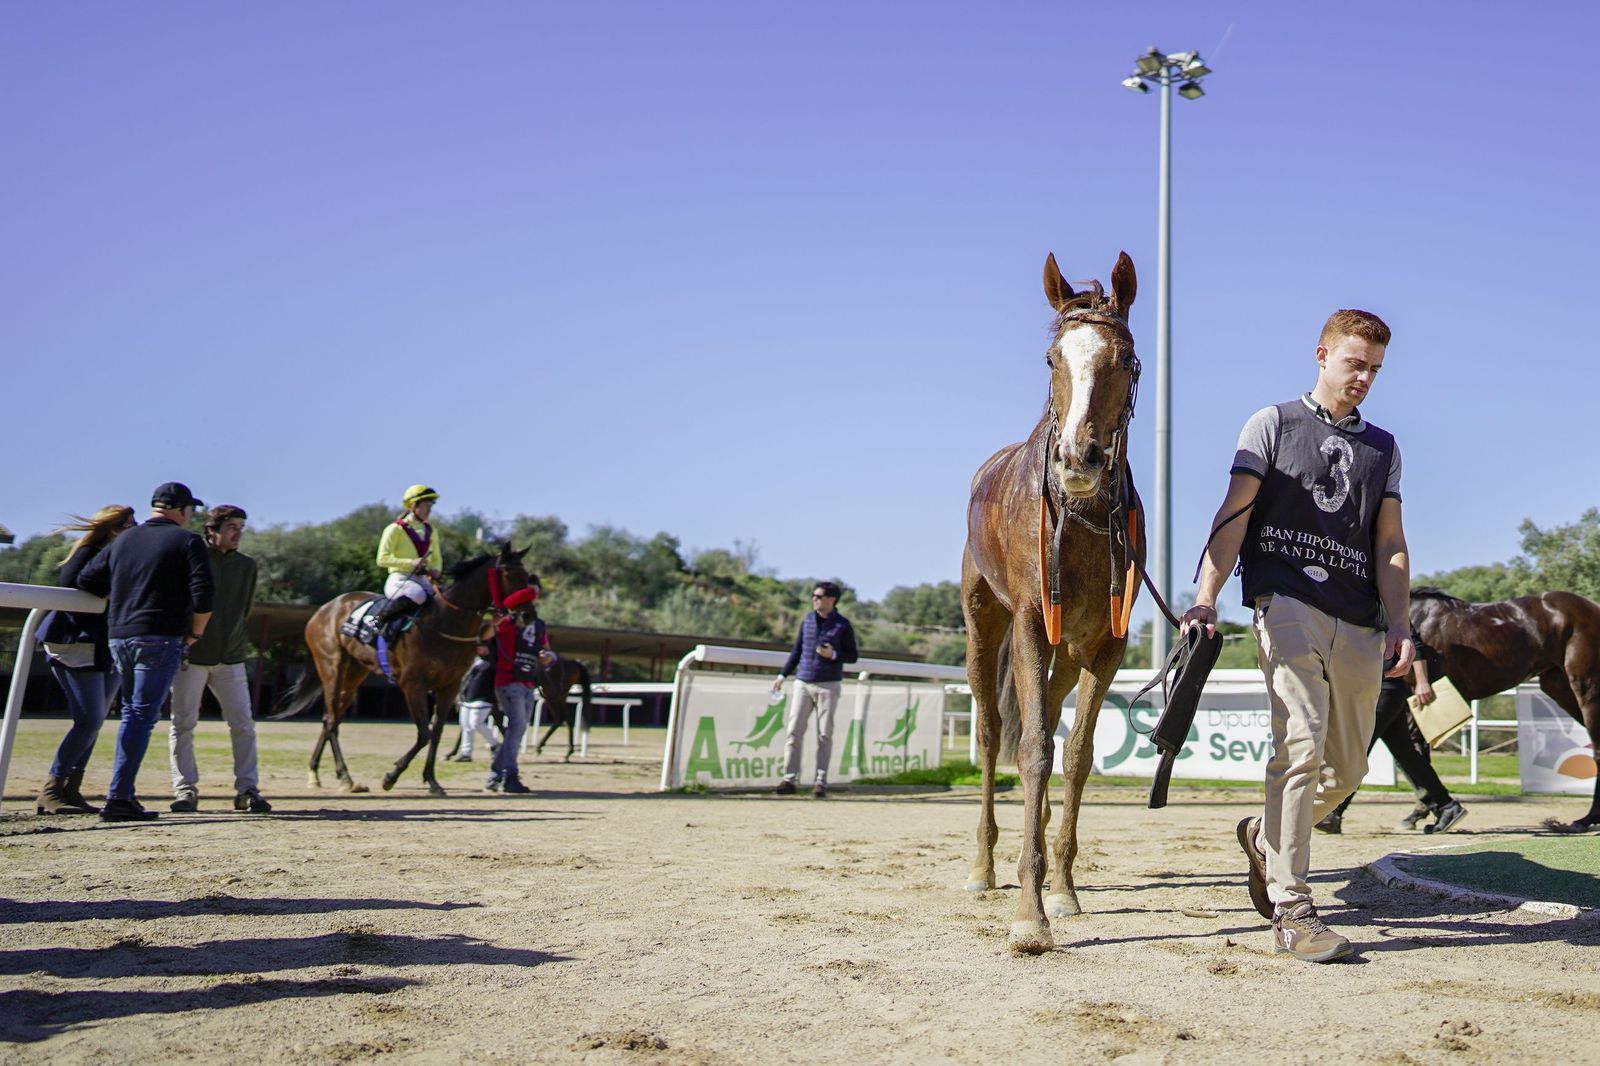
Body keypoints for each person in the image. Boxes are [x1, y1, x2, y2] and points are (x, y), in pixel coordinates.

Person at [1181, 310, 1412, 964]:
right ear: (1322, 355)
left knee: (1347, 770)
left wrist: (1401, 623)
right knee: (1302, 742)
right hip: (1285, 599)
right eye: (1354, 364)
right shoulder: (1274, 424)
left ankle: (1263, 835)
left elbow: (1390, 543)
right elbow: (1233, 516)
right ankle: (1292, 910)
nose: (1364, 378)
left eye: (1374, 369)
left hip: (1359, 616)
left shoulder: (1384, 449)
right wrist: (1204, 597)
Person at [76, 482, 214, 822]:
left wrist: (127, 592)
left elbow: (86, 579)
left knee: (131, 714)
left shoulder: (124, 539)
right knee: (139, 716)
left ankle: (123, 795)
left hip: (119, 635)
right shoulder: (188, 540)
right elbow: (204, 595)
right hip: (160, 637)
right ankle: (119, 798)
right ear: (182, 510)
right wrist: (195, 632)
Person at [166, 504, 271, 814]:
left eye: (241, 527)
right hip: (192, 656)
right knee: (183, 724)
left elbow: (245, 610)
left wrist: (234, 639)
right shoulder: (192, 559)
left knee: (243, 725)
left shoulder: (247, 566)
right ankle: (185, 790)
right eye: (231, 528)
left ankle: (247, 789)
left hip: (232, 657)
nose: (238, 533)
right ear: (211, 531)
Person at [33, 505, 137, 815]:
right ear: (114, 528)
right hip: (74, 642)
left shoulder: (124, 555)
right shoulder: (91, 550)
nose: (136, 528)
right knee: (89, 719)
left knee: (95, 720)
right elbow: (72, 581)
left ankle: (71, 789)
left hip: (106, 644)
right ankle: (50, 790)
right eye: (130, 524)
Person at [1315, 629, 1466, 835]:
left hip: (1386, 689)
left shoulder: (1386, 604)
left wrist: (1422, 682)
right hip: (1379, 689)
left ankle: (1334, 813)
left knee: (1357, 749)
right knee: (1406, 754)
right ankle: (1447, 806)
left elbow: (1413, 642)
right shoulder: (1362, 605)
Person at [771, 581, 858, 799]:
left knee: (824, 734)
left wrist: (834, 655)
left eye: (818, 596)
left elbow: (853, 656)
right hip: (803, 681)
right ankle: (789, 779)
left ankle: (820, 782)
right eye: (814, 596)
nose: (814, 599)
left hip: (828, 684)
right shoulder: (808, 620)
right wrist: (782, 675)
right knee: (794, 731)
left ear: (831, 600)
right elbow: (797, 650)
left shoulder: (843, 624)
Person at [487, 584, 553, 793]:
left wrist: (547, 658)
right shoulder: (507, 623)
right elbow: (487, 635)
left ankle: (496, 774)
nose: (534, 604)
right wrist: (493, 623)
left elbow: (547, 652)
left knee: (517, 729)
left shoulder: (539, 625)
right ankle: (510, 775)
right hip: (508, 682)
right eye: (531, 601)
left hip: (528, 682)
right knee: (517, 726)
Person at [370, 484, 443, 637]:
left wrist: (436, 569)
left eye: (431, 506)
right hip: (399, 578)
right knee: (418, 595)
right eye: (426, 506)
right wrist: (410, 562)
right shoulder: (394, 529)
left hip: (422, 578)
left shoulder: (431, 530)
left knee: (442, 600)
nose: (429, 510)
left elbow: (436, 557)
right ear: (413, 505)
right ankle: (379, 619)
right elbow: (382, 559)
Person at [450, 642, 502, 762]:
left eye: (482, 646)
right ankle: (466, 753)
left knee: (476, 723)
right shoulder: (473, 662)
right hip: (468, 697)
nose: (479, 649)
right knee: (466, 725)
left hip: (484, 697)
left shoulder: (493, 664)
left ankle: (495, 745)